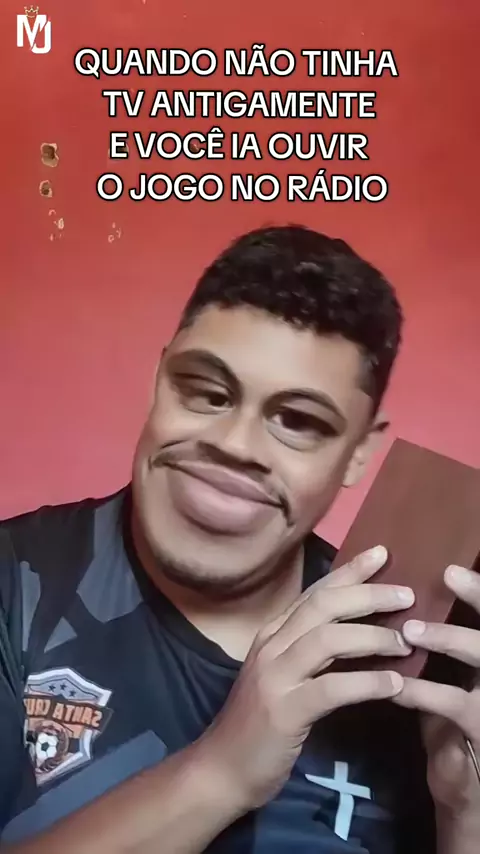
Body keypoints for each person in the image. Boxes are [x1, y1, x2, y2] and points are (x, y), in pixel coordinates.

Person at [0, 225, 479, 854]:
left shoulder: (412, 662)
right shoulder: (16, 587)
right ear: (159, 378)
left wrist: (465, 816)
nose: (234, 444)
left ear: (360, 452)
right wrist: (222, 772)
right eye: (206, 392)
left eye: (298, 421)